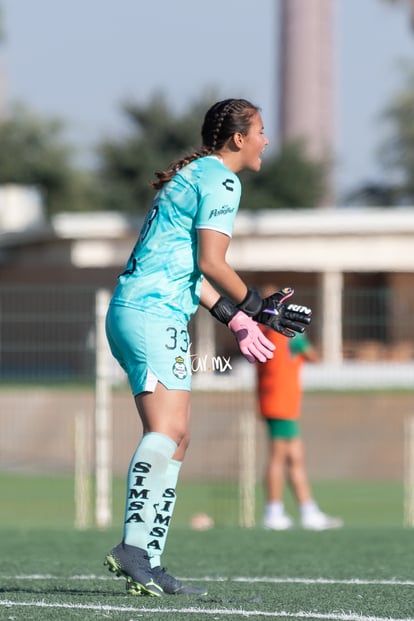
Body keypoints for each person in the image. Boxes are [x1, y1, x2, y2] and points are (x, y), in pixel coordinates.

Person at [103, 98, 312, 597]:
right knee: (167, 429)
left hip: (147, 311)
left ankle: (148, 562)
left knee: (177, 436)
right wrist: (261, 306)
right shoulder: (222, 179)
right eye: (260, 130)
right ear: (238, 138)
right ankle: (133, 549)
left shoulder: (196, 174)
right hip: (151, 313)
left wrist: (237, 319)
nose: (266, 139)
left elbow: (190, 271)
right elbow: (215, 263)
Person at [257, 313, 343, 531]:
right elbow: (313, 356)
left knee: (295, 457)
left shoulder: (262, 332)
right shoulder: (287, 334)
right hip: (282, 403)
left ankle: (308, 511)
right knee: (278, 458)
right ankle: (273, 512)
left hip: (275, 401)